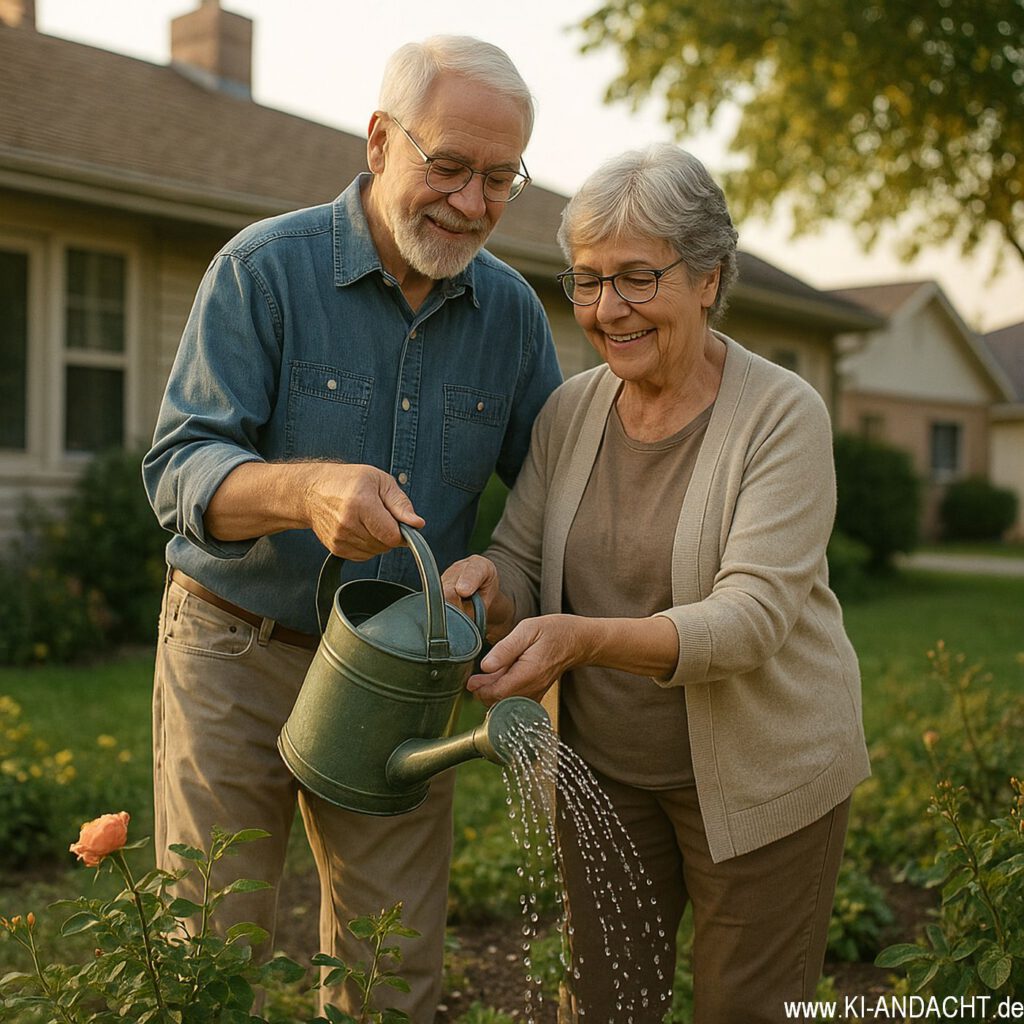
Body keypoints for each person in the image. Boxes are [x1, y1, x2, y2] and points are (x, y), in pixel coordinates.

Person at [142, 36, 561, 1022]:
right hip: (234, 650)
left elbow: (553, 496)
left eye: (500, 177)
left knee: (393, 969)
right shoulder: (264, 271)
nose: (472, 202)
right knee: (209, 950)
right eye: (449, 166)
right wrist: (306, 490)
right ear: (379, 141)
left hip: (400, 682)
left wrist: (504, 577)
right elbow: (176, 469)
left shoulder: (511, 316)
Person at [442, 144, 871, 1024]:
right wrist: (488, 584)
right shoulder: (571, 409)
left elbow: (748, 620)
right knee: (604, 1005)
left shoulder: (782, 415)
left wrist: (582, 637)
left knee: (745, 1008)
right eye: (589, 281)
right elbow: (523, 559)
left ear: (709, 277)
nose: (609, 309)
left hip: (760, 782)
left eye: (638, 278)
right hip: (602, 777)